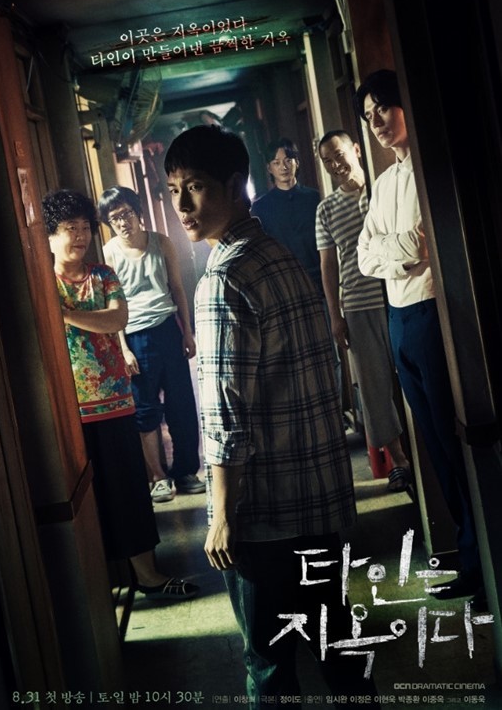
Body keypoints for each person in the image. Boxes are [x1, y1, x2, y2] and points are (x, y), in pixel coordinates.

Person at [163, 124, 379, 708]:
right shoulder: (278, 257)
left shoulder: (223, 278)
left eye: (196, 187)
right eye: (175, 190)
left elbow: (225, 414)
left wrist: (221, 514)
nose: (182, 205)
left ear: (236, 186)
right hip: (317, 499)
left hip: (263, 514)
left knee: (268, 665)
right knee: (339, 647)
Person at [355, 69, 482, 603]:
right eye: (369, 116)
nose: (377, 122)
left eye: (383, 108)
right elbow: (364, 257)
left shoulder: (432, 165)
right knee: (432, 444)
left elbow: (425, 242)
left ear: (405, 104)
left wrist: (398, 250)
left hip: (432, 310)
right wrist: (400, 252)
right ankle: (471, 558)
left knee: (457, 443)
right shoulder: (384, 181)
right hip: (399, 317)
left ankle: (482, 561)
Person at [43, 188, 198, 601]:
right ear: (50, 236)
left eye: (84, 227)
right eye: (69, 228)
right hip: (71, 411)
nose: (80, 236)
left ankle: (148, 575)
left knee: (130, 491)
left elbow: (117, 318)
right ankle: (100, 587)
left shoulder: (102, 276)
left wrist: (66, 315)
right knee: (86, 502)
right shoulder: (43, 285)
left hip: (114, 403)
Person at [316, 129, 411, 492]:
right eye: (327, 161)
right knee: (373, 389)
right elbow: (328, 266)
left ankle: (424, 455)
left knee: (411, 375)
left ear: (356, 150)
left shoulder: (382, 189)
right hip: (357, 305)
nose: (335, 165)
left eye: (339, 155)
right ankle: (399, 461)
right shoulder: (325, 209)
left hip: (397, 294)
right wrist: (335, 315)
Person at [98, 186, 204, 503]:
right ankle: (159, 477)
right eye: (115, 218)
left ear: (137, 212)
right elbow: (111, 305)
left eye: (126, 213)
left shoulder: (161, 242)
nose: (122, 222)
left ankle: (186, 471)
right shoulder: (109, 252)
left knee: (181, 404)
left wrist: (187, 332)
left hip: (168, 329)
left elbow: (177, 288)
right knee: (145, 410)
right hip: (134, 335)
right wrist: (123, 349)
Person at [251, 136, 342, 393]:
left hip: (319, 288)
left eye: (288, 160)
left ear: (297, 163)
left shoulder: (315, 198)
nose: (283, 166)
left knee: (329, 355)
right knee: (297, 360)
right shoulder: (261, 208)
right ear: (269, 168)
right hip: (285, 294)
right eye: (276, 162)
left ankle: (334, 409)